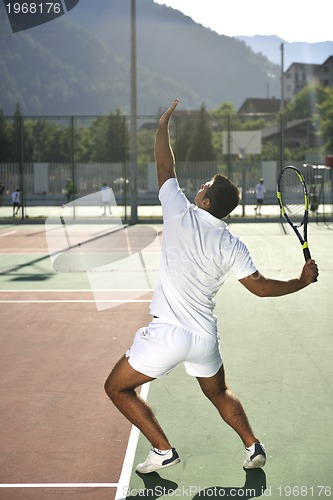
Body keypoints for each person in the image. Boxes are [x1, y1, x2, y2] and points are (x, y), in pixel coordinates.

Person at [104, 99, 319, 474]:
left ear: (203, 201)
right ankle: (253, 447)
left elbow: (163, 165)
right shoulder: (232, 243)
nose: (197, 188)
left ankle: (163, 450)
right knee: (218, 391)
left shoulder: (179, 211)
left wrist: (162, 126)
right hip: (204, 335)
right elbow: (260, 288)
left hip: (168, 333)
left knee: (116, 387)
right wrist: (301, 282)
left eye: (201, 187)